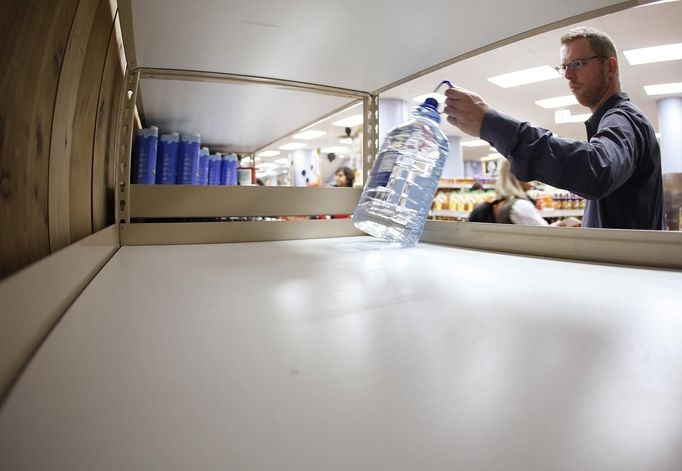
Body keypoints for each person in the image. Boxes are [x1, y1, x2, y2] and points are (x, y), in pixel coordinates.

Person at [444, 26, 665, 230]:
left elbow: (596, 170)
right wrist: (584, 225)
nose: (568, 75)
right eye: (564, 67)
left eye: (577, 64)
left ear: (609, 66)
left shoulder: (623, 119)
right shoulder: (611, 122)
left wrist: (491, 123)